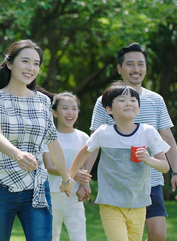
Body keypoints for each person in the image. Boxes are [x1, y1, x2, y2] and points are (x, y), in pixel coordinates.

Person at [82, 42, 177, 241]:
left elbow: (167, 137)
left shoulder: (156, 100)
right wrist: (84, 178)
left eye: (140, 64)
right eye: (130, 64)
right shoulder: (105, 101)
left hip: (151, 181)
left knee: (158, 235)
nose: (136, 69)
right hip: (117, 183)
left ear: (146, 68)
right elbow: (92, 144)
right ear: (120, 68)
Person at [0, 39, 74, 241]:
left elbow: (52, 142)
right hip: (0, 186)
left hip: (36, 189)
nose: (31, 68)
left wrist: (66, 179)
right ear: (10, 64)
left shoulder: (43, 101)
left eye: (36, 63)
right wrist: (17, 154)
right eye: (25, 61)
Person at [69, 81, 171, 241]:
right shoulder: (104, 133)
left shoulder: (148, 132)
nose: (129, 103)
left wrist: (149, 160)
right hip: (111, 202)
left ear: (138, 107)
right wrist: (70, 177)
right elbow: (83, 154)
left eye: (133, 100)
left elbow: (165, 166)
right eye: (122, 100)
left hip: (138, 203)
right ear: (108, 109)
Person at [42, 92, 91, 241]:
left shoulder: (83, 137)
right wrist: (72, 174)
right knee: (51, 237)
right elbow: (49, 166)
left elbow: (83, 167)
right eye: (65, 108)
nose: (70, 112)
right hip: (52, 195)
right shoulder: (49, 136)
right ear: (54, 112)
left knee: (79, 237)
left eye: (74, 108)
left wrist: (84, 185)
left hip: (74, 197)